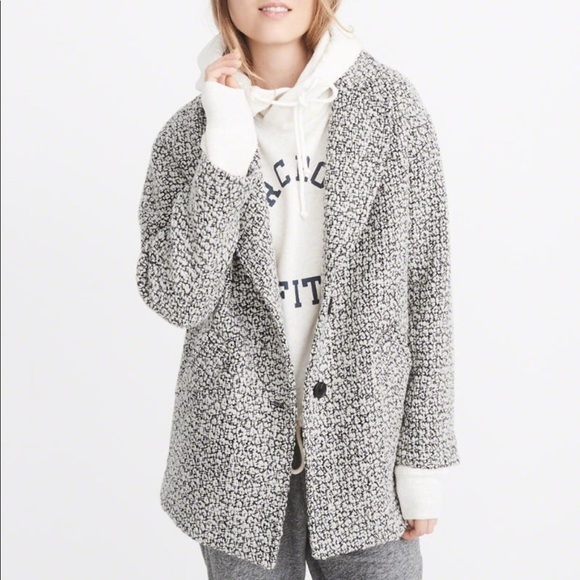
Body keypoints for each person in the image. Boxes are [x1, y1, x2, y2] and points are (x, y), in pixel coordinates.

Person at [136, 0, 461, 578]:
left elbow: (428, 290)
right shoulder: (190, 136)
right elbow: (178, 297)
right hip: (235, 461)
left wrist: (422, 462)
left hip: (367, 456)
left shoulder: (389, 110)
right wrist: (225, 146)